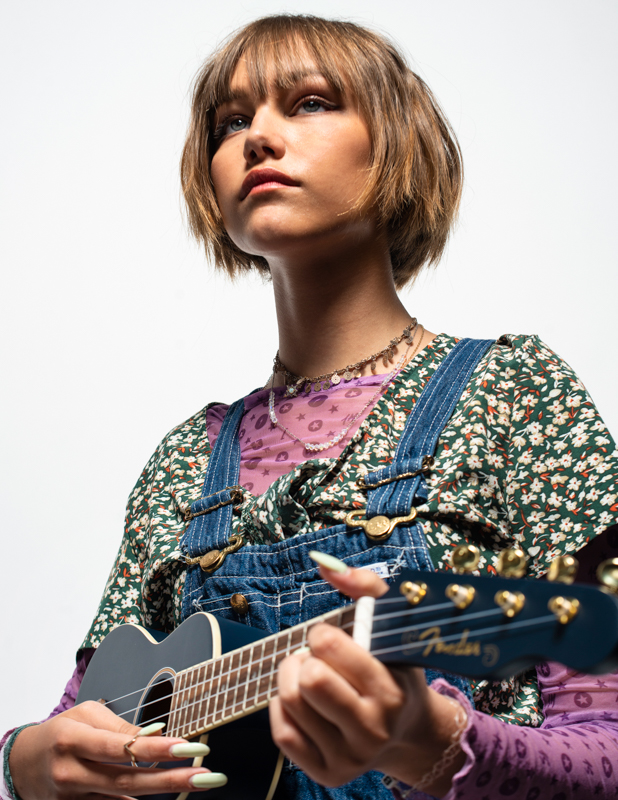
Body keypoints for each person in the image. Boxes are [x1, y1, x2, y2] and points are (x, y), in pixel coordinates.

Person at [4, 13, 618, 800]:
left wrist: (436, 745)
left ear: (395, 142)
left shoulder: (514, 395)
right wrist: (20, 763)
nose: (258, 135)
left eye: (310, 103)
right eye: (232, 120)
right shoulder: (186, 460)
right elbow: (87, 723)